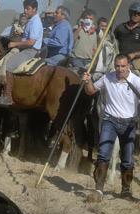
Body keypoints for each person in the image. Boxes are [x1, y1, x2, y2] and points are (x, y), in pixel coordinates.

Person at [83, 54, 140, 202]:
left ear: (129, 66)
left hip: (129, 123)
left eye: (123, 66)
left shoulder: (136, 81)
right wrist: (87, 81)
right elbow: (90, 91)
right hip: (110, 120)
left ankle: (126, 191)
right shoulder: (107, 77)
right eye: (117, 66)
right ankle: (99, 190)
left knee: (127, 158)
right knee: (103, 154)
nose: (120, 69)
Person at [0, 0, 43, 107]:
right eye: (25, 8)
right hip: (24, 49)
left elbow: (31, 42)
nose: (25, 11)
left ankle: (7, 97)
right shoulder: (31, 20)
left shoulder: (35, 22)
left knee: (8, 65)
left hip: (30, 51)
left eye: (28, 9)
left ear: (34, 9)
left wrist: (14, 44)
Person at [69, 9, 97, 74]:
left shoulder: (94, 32)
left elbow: (94, 48)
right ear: (83, 18)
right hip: (76, 58)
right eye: (87, 18)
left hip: (88, 60)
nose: (89, 20)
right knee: (77, 75)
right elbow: (72, 40)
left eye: (91, 19)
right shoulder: (76, 27)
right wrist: (80, 27)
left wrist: (94, 60)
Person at [114, 2, 140, 72]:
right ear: (130, 13)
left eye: (138, 13)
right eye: (133, 12)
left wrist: (134, 54)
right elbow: (113, 42)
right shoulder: (120, 28)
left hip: (137, 63)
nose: (135, 15)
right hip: (120, 62)